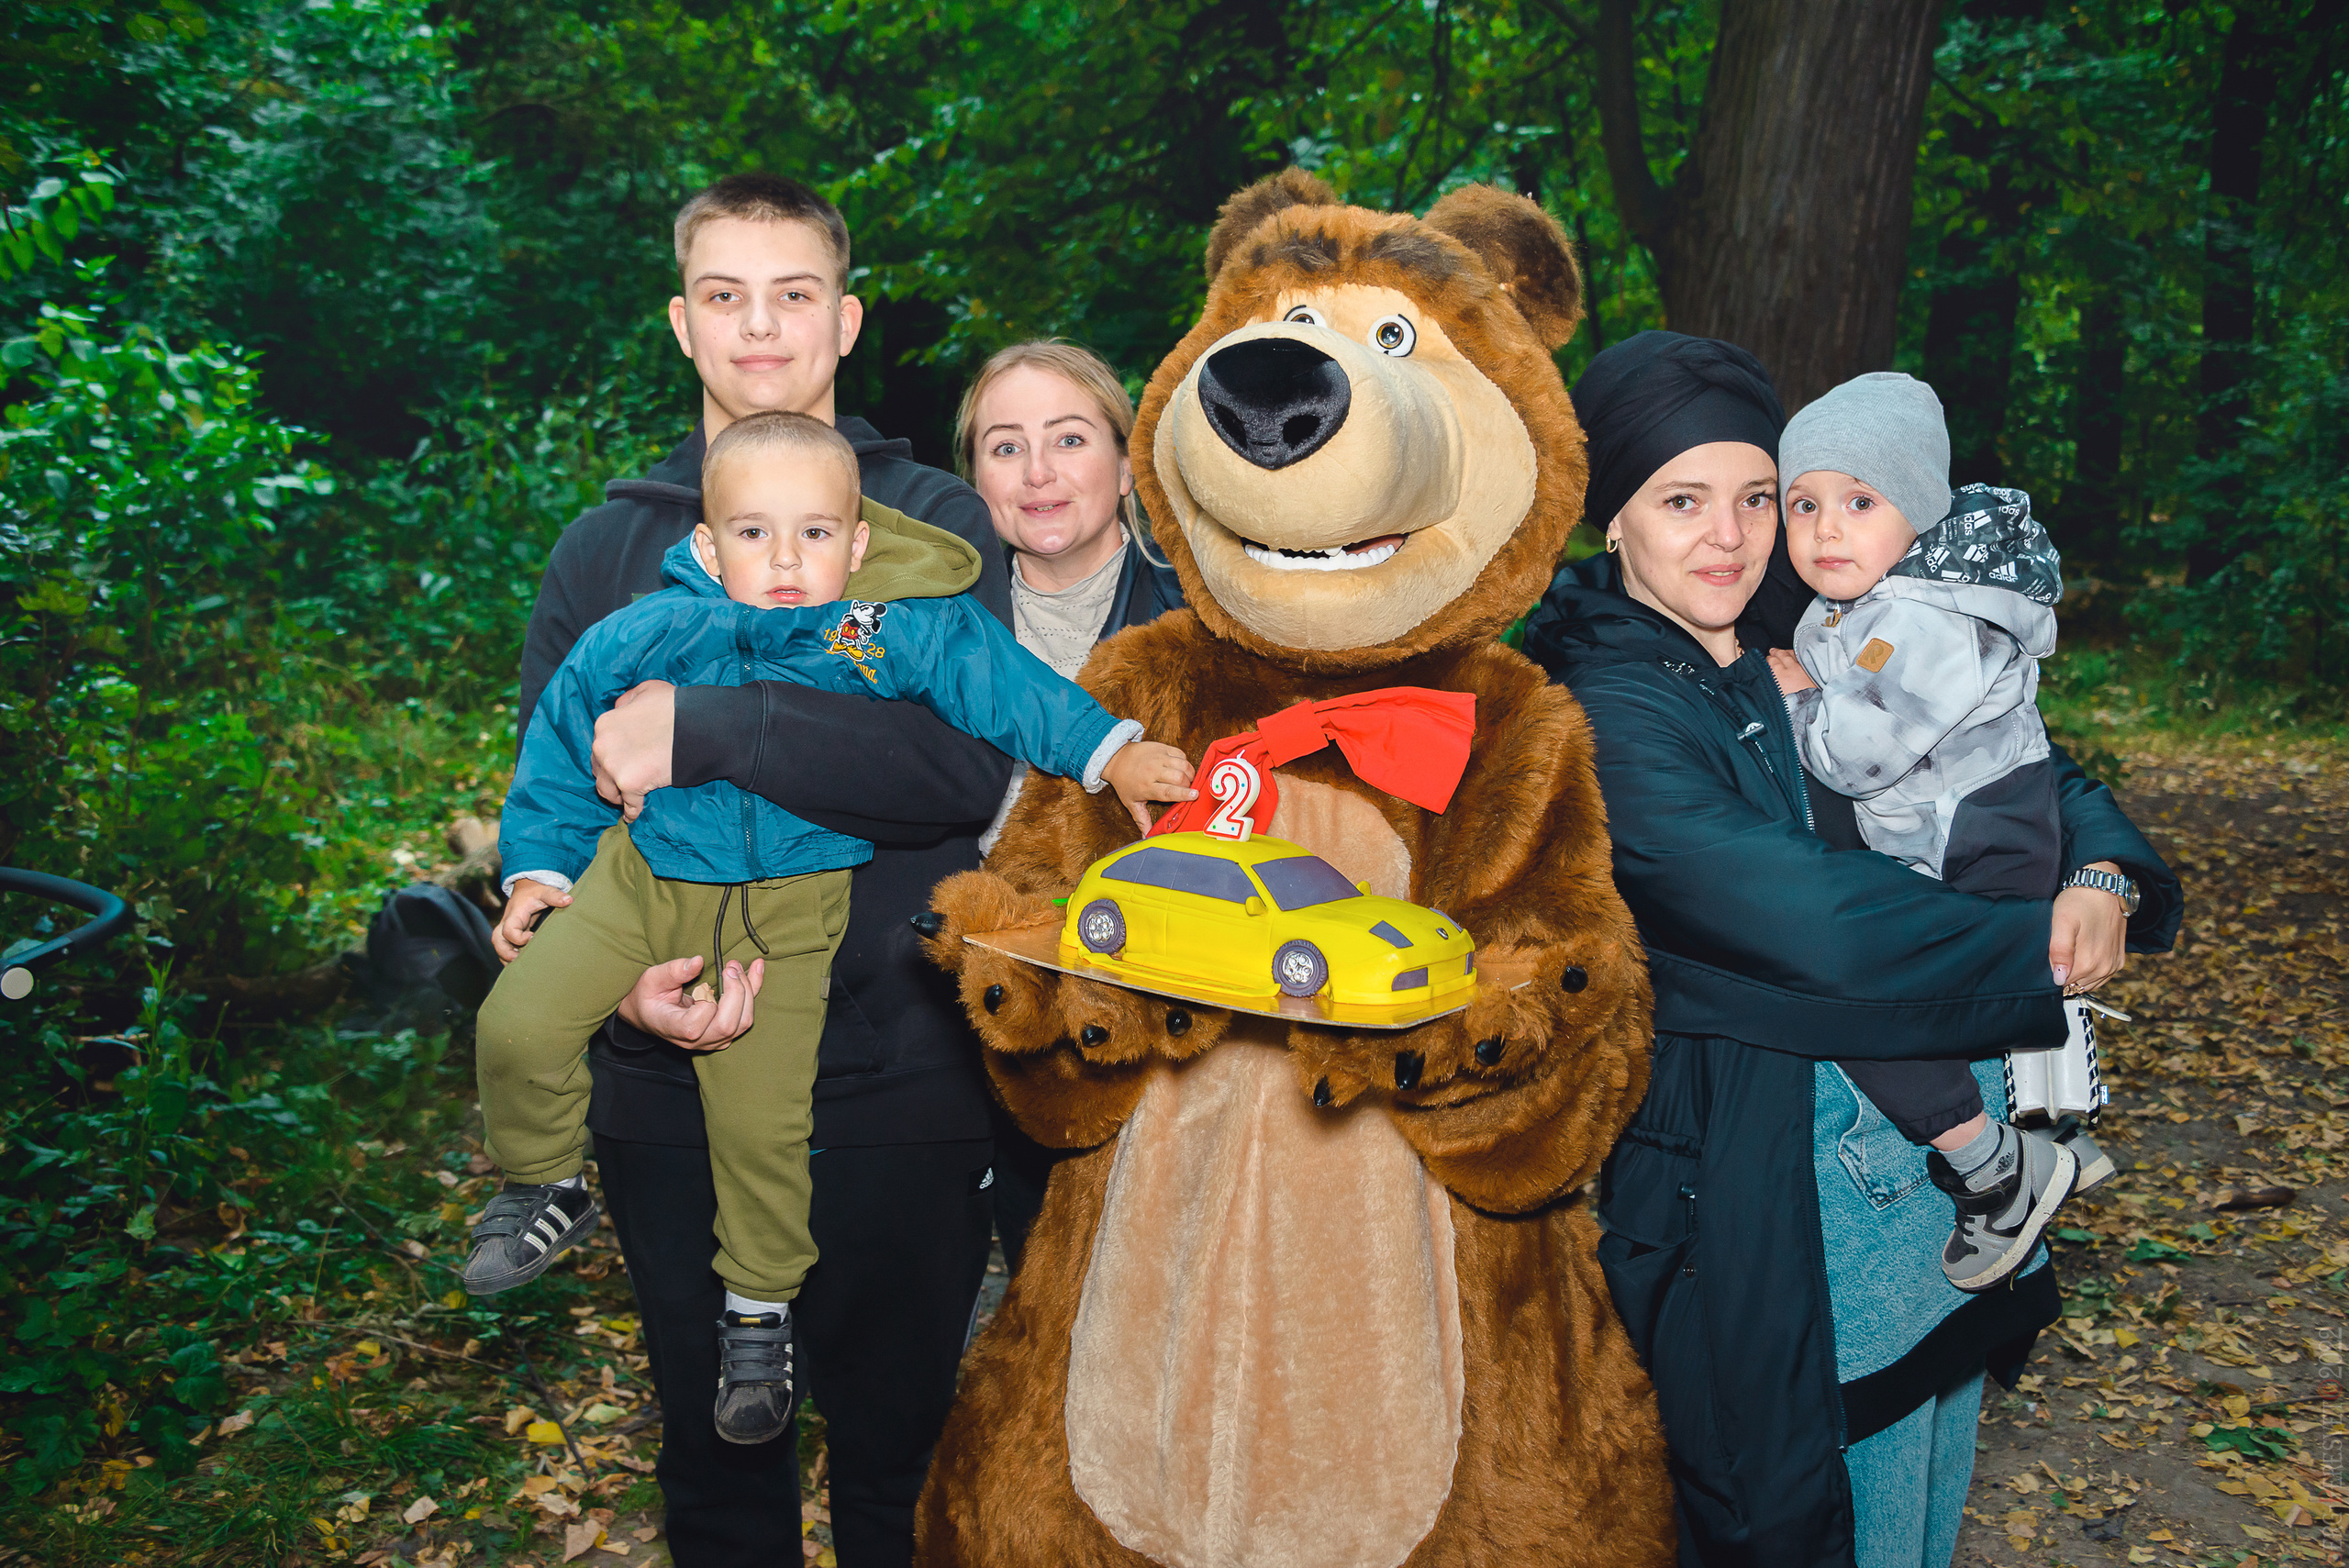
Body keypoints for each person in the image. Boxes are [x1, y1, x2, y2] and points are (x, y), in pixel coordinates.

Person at [1520, 330, 2181, 1568]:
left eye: (1756, 497)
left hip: (1939, 1176)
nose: (1729, 535)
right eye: (1681, 501)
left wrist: (2099, 870)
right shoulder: (1596, 704)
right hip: (1767, 1194)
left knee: (1932, 1467)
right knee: (1819, 1508)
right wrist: (2026, 945)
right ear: (1611, 516)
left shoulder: (1815, 610)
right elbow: (1800, 913)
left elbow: (2010, 748)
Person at [467, 413, 1192, 1445]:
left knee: (761, 1126)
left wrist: (1109, 751)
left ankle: (758, 1308)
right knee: (516, 1023)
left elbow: (1002, 686)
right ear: (710, 547)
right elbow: (561, 728)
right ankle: (543, 1177)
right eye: (754, 535)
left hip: (788, 905)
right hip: (641, 879)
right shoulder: (651, 626)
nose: (786, 561)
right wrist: (539, 865)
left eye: (815, 534)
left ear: (855, 543)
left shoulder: (876, 628)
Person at [517, 173, 1022, 1568]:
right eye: (726, 296)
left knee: (899, 1461)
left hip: (896, 1071)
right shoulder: (608, 550)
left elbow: (956, 771)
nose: (760, 329)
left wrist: (710, 726)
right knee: (721, 1465)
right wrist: (606, 977)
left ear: (845, 319)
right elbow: (554, 798)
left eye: (793, 294)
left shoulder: (926, 526)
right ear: (682, 323)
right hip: (664, 1078)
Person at [1764, 371, 2113, 1294]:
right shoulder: (1875, 598)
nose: (1825, 527)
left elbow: (1855, 751)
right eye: (1802, 503)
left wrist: (1797, 697)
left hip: (1976, 846)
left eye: (1858, 500)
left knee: (1859, 993)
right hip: (1948, 832)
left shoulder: (1927, 618)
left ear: (1917, 510)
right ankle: (2023, 1123)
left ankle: (1996, 1160)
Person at [949, 339, 1184, 1269]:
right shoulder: (923, 617)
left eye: (1070, 439)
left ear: (1126, 465)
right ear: (972, 480)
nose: (1038, 472)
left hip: (1148, 1019)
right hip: (966, 1010)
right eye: (1004, 447)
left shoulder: (1202, 624)